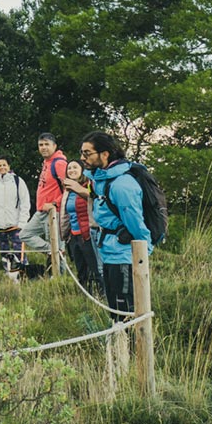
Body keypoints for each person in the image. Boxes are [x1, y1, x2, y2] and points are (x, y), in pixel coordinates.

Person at [80, 131, 153, 317]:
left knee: (125, 310)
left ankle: (129, 345)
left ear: (105, 154)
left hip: (123, 256)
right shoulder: (101, 180)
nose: (82, 158)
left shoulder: (122, 185)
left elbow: (136, 225)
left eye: (87, 153)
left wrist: (143, 255)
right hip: (109, 252)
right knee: (115, 309)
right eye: (82, 153)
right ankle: (118, 343)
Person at [0, 155, 31, 273]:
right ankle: (9, 274)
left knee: (19, 251)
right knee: (4, 251)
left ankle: (23, 274)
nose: (2, 167)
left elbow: (25, 203)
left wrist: (22, 222)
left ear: (9, 166)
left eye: (4, 165)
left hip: (15, 224)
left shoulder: (18, 181)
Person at [19, 133, 68, 253]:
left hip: (54, 212)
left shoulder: (59, 163)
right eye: (41, 145)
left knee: (56, 245)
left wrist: (55, 204)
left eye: (47, 144)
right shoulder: (47, 162)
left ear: (54, 146)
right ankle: (54, 251)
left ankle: (58, 264)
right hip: (41, 211)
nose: (43, 147)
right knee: (25, 234)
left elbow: (70, 189)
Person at [59, 160, 103, 294]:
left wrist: (77, 188)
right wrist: (65, 235)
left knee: (96, 267)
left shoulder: (89, 185)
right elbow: (65, 214)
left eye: (75, 167)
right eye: (69, 168)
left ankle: (102, 294)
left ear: (83, 170)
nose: (71, 170)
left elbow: (94, 198)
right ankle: (85, 295)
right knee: (81, 269)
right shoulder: (67, 191)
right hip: (74, 235)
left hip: (88, 234)